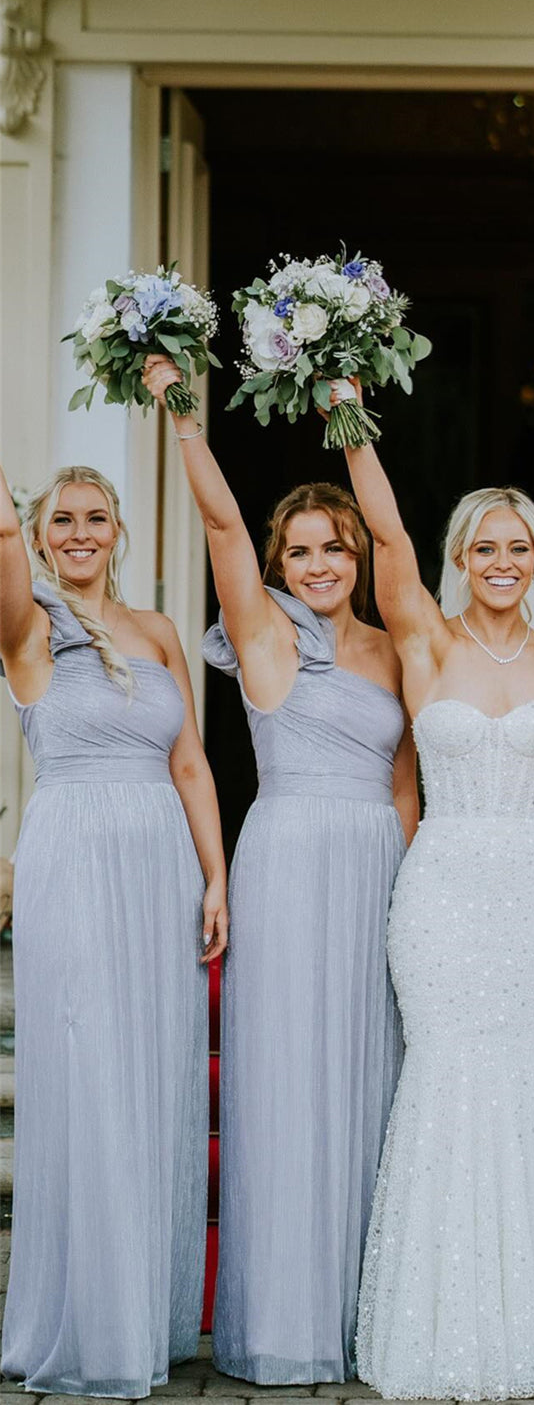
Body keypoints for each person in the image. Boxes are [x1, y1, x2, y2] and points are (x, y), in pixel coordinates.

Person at [339, 397, 534, 1400]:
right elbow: (380, 531)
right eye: (483, 547)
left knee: (526, 1088)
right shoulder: (425, 642)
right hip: (440, 893)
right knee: (447, 1081)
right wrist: (352, 418)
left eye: (518, 548)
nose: (501, 562)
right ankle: (436, 1328)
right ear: (459, 557)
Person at [143, 355, 417, 1384]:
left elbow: (403, 786)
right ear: (279, 562)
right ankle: (285, 1325)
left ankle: (366, 1315)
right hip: (291, 861)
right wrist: (178, 416)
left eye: (332, 547)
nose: (316, 565)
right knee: (286, 1086)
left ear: (356, 555)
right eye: (298, 550)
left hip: (376, 865)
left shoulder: (396, 651)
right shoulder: (261, 633)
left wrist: (412, 889)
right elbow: (218, 527)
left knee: (370, 1084)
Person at [0, 462, 225, 1398]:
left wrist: (217, 877)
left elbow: (193, 766)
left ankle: (145, 1311)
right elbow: (5, 559)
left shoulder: (161, 632)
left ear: (119, 531)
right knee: (89, 1075)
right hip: (75, 863)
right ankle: (90, 1325)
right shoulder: (31, 630)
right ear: (43, 533)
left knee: (150, 1076)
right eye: (64, 521)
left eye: (97, 519)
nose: (81, 533)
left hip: (160, 867)